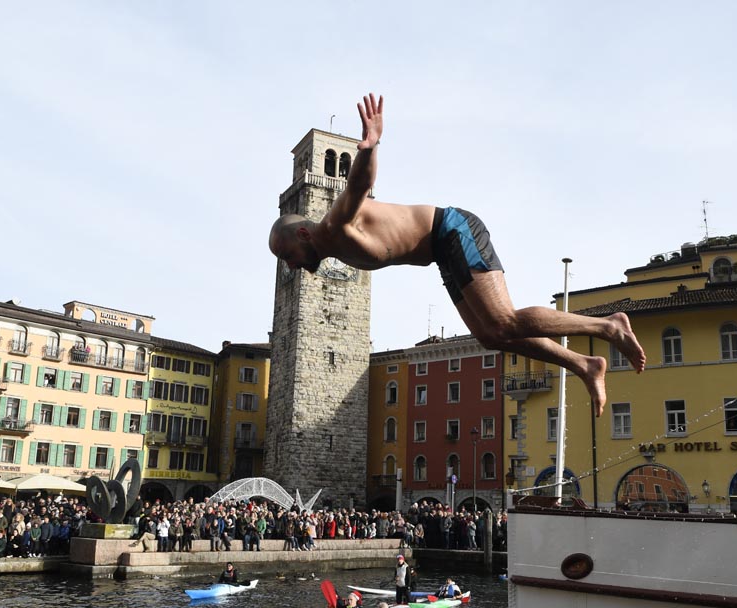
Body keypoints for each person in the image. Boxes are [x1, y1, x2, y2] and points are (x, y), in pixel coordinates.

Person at [268, 93, 646, 417]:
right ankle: (584, 364)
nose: (292, 265)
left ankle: (608, 326)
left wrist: (369, 148)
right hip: (441, 254)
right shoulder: (332, 245)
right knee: (491, 335)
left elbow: (359, 185)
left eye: (288, 254)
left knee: (505, 320)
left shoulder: (333, 227)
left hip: (452, 230)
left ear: (303, 233)